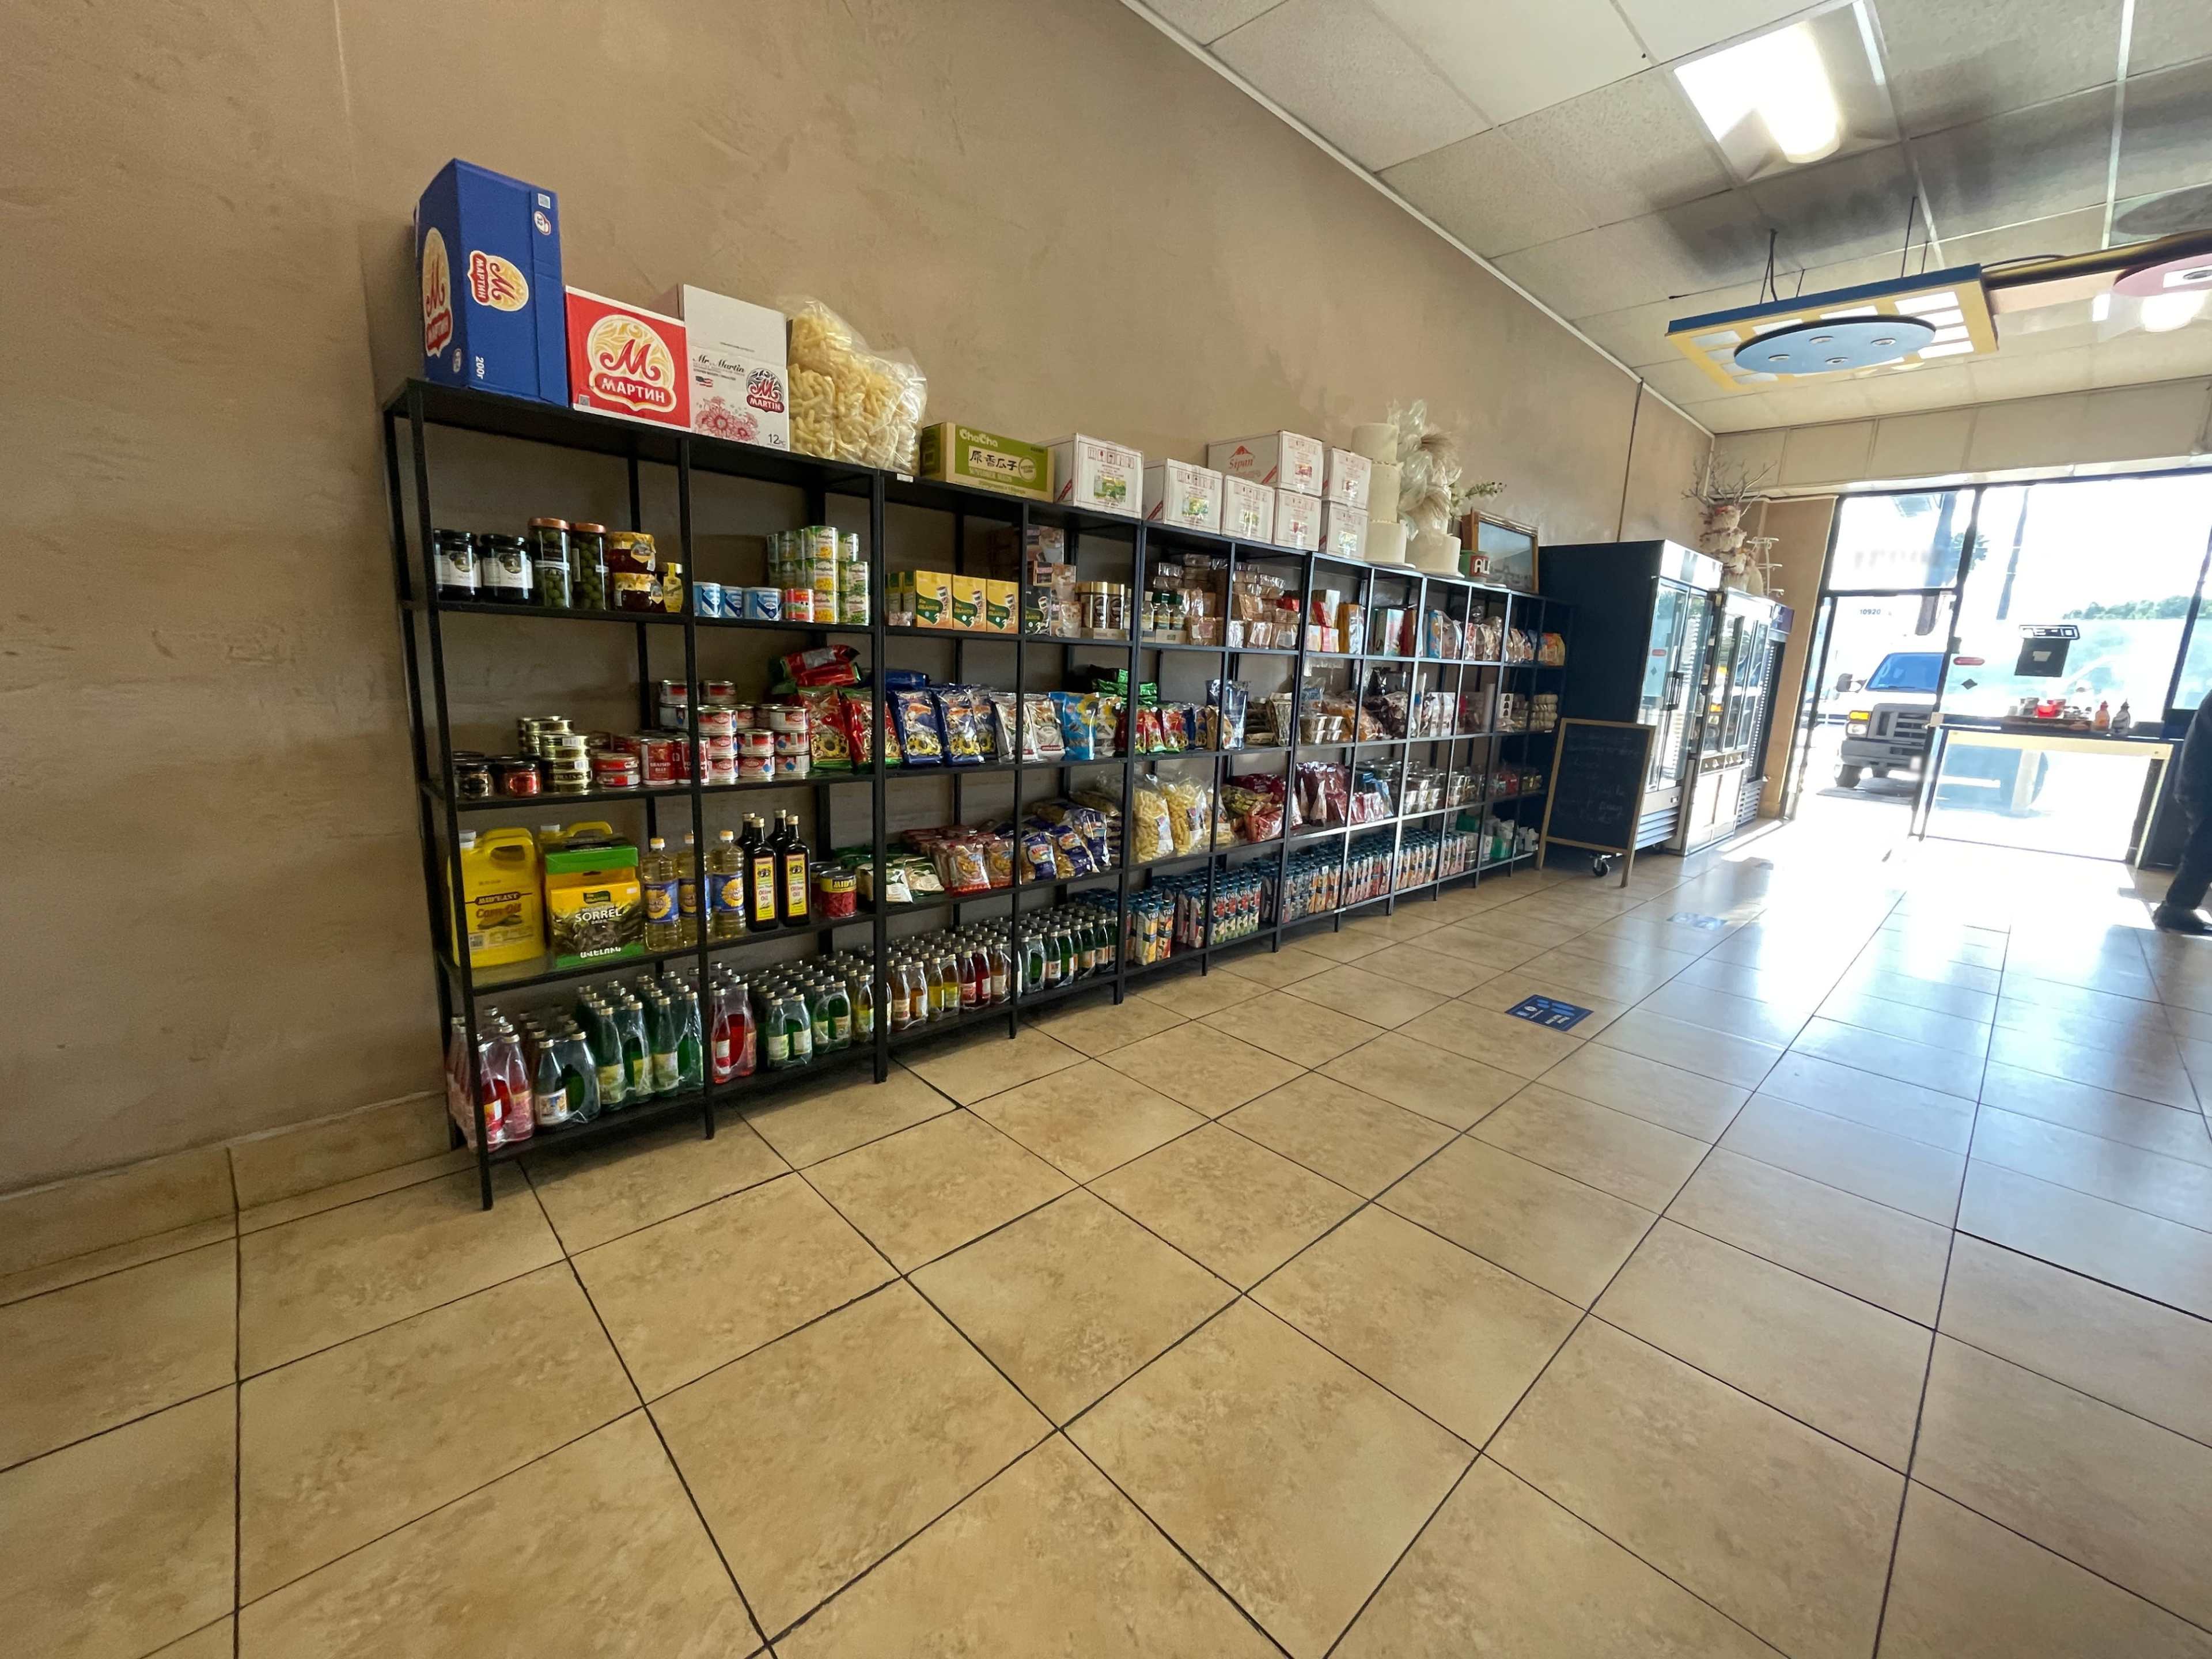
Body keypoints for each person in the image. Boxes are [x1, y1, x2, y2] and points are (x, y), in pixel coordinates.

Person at [2154, 696, 2212, 933]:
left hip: (2200, 781)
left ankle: (2177, 907)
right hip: (2205, 784)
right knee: (2205, 849)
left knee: (2205, 848)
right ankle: (2175, 908)